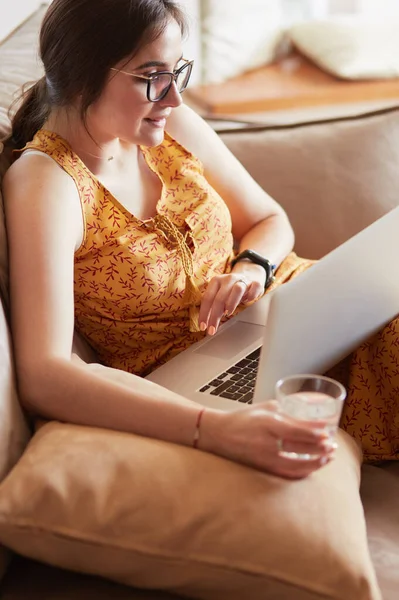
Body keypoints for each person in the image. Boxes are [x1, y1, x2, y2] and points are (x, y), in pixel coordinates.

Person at [2, 0, 397, 482]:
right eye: (152, 77)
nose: (174, 100)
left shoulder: (169, 128)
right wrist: (217, 430)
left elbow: (270, 219)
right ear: (83, 73)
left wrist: (249, 268)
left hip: (294, 309)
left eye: (178, 73)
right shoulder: (47, 183)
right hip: (202, 378)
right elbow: (45, 375)